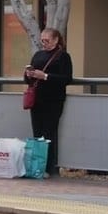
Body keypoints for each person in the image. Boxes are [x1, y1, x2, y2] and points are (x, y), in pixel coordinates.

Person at [23, 27, 73, 175]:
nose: (44, 43)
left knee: (49, 133)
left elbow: (66, 78)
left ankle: (48, 167)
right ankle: (37, 166)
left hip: (53, 100)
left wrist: (45, 76)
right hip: (37, 99)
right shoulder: (38, 55)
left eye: (47, 40)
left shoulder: (63, 56)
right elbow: (27, 79)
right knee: (37, 132)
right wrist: (29, 74)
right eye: (42, 40)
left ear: (56, 40)